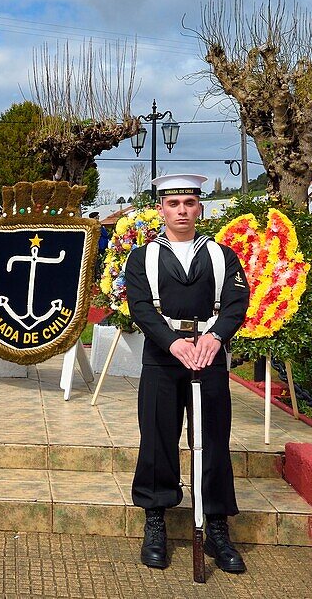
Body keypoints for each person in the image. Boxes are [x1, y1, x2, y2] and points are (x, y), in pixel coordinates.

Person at [123, 174, 250, 574]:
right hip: (163, 359)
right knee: (158, 438)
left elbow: (235, 302)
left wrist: (215, 338)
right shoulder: (142, 257)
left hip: (208, 358)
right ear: (160, 209)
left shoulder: (221, 255)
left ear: (200, 208)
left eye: (189, 203)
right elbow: (141, 307)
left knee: (213, 440)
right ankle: (156, 520)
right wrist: (173, 343)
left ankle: (215, 526)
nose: (182, 210)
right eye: (174, 203)